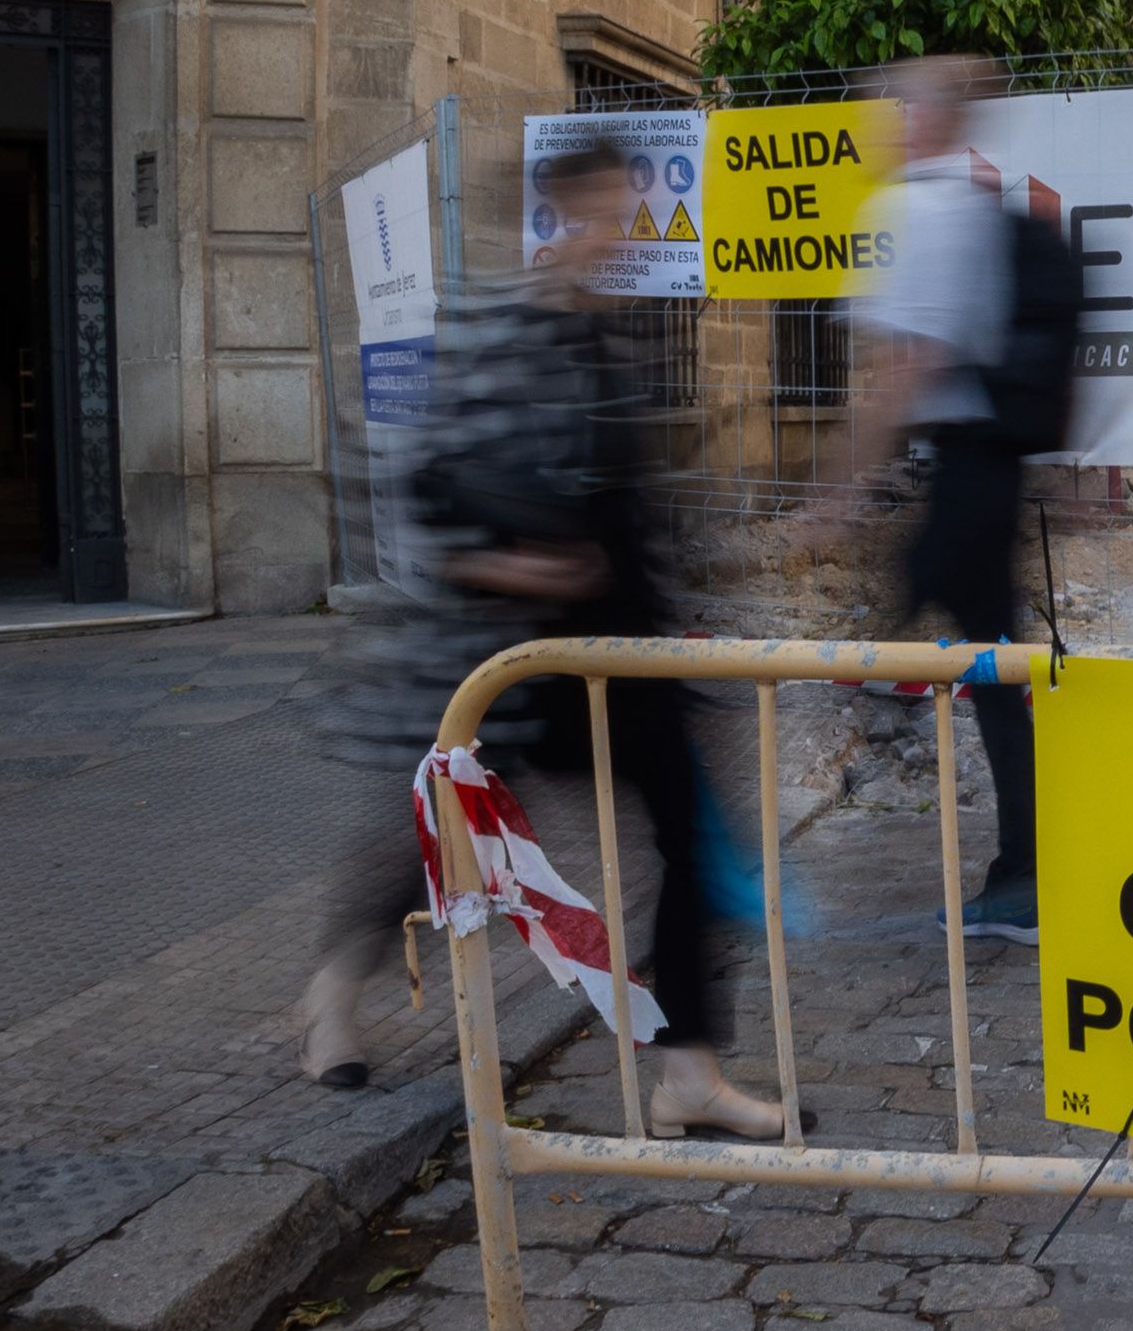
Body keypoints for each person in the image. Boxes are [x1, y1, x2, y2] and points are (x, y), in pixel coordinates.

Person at [304, 138, 794, 1141]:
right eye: (591, 213)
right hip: (510, 661)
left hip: (623, 653)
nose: (611, 234)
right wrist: (517, 569)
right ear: (549, 219)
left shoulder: (616, 341)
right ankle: (333, 993)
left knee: (692, 843)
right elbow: (426, 488)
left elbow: (630, 508)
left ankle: (689, 1074)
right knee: (439, 842)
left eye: (621, 213)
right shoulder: (498, 328)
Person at [841, 56, 1041, 942]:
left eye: (890, 108)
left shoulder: (914, 209)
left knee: (954, 654)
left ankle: (1027, 875)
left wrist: (842, 486)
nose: (878, 123)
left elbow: (908, 367)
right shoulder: (966, 206)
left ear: (920, 120)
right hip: (985, 468)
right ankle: (1025, 871)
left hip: (965, 471)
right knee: (995, 676)